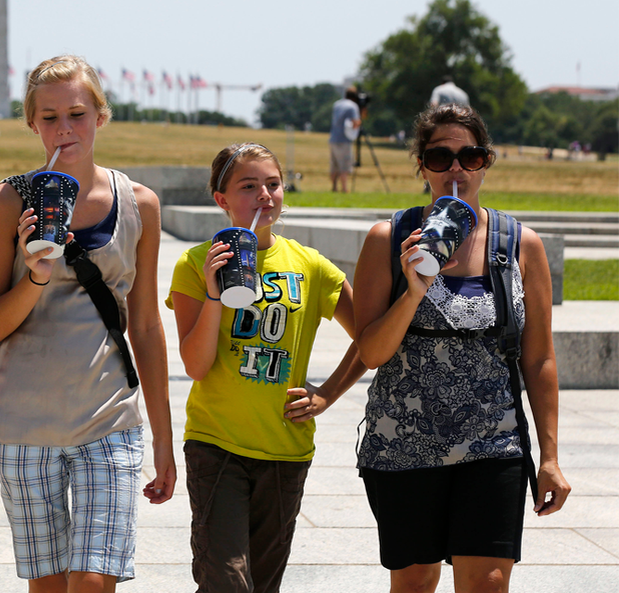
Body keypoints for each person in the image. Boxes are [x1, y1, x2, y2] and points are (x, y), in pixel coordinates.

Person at [0, 55, 175, 592]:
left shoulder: (140, 205)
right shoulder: (2, 203)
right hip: (23, 424)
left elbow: (148, 327)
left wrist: (162, 438)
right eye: (50, 117)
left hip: (108, 419)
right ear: (32, 124)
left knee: (91, 583)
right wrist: (34, 276)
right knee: (49, 586)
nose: (65, 129)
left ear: (102, 117)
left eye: (78, 114)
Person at [352, 103, 571, 593]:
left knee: (488, 583)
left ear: (486, 162)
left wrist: (551, 456)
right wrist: (412, 289)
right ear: (422, 167)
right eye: (439, 157)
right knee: (413, 582)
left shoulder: (520, 245)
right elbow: (371, 352)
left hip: (494, 440)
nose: (455, 168)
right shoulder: (387, 240)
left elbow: (539, 359)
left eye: (469, 156)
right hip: (404, 442)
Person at [167, 143, 367, 593]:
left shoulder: (309, 265)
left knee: (263, 584)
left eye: (272, 184)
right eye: (248, 186)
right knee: (227, 582)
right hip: (217, 444)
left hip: (285, 450)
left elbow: (372, 339)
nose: (265, 195)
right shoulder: (194, 264)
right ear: (221, 200)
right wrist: (216, 294)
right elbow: (196, 365)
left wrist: (328, 393)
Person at [329, 87, 362, 193]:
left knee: (334, 165)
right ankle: (344, 188)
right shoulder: (352, 106)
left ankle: (334, 188)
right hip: (344, 140)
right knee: (344, 166)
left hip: (333, 138)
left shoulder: (337, 104)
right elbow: (355, 123)